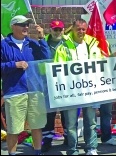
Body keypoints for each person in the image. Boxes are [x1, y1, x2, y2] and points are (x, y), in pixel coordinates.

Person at [1, 15, 51, 155]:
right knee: (14, 129)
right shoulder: (4, 45)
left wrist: (42, 38)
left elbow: (47, 59)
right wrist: (14, 65)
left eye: (27, 25)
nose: (26, 27)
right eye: (22, 24)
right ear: (13, 26)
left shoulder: (33, 43)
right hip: (14, 91)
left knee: (37, 126)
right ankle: (12, 153)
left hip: (35, 90)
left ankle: (37, 152)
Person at [54, 19, 104, 155]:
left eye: (83, 29)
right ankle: (72, 150)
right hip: (71, 91)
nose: (81, 32)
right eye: (78, 29)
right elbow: (58, 69)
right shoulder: (63, 47)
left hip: (90, 90)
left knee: (91, 122)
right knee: (70, 124)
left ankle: (91, 148)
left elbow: (99, 66)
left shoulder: (93, 45)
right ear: (73, 29)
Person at [41, 20, 69, 152]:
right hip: (47, 83)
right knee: (49, 114)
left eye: (60, 29)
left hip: (65, 83)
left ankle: (68, 138)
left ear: (63, 30)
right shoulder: (42, 42)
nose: (57, 32)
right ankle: (47, 140)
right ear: (50, 30)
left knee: (66, 114)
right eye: (55, 29)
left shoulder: (69, 43)